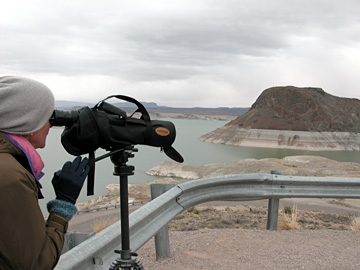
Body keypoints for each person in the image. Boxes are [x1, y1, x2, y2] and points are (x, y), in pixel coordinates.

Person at [0, 76, 90, 270]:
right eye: (47, 118)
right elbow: (37, 263)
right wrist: (63, 204)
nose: (50, 126)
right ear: (26, 122)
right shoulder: (10, 177)